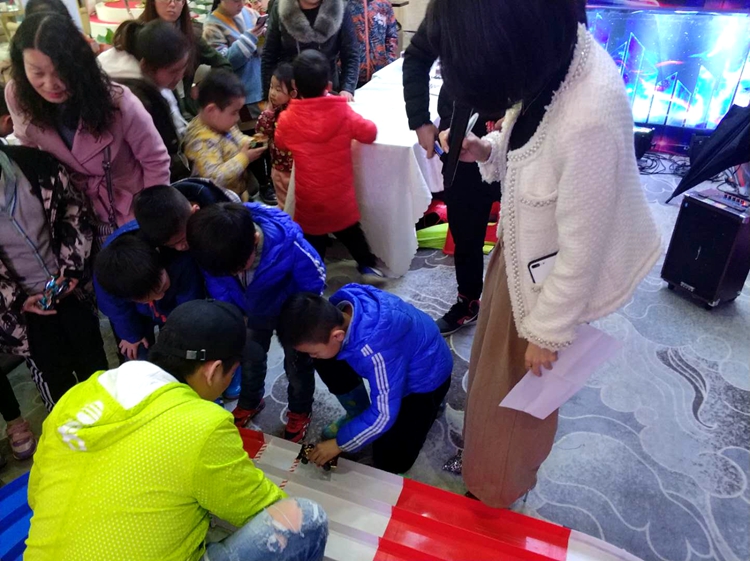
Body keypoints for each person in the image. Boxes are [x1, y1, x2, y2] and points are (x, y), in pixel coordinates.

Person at [429, 0, 660, 507]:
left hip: (549, 285)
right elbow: (531, 143)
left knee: (516, 401)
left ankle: (494, 490)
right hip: (521, 253)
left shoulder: (591, 114)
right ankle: (486, 463)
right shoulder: (549, 61)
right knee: (490, 378)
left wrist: (548, 332)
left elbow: (584, 247)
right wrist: (487, 150)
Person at [24, 299, 328, 561]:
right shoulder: (201, 424)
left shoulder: (75, 397)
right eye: (232, 373)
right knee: (306, 519)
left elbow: (36, 496)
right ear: (212, 371)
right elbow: (263, 507)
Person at [5, 13, 170, 242]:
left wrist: (151, 219)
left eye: (60, 71)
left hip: (129, 209)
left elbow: (155, 161)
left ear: (79, 65)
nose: (50, 84)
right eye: (37, 73)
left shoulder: (118, 103)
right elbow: (31, 148)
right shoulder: (19, 96)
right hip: (73, 213)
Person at [186, 202, 326, 441]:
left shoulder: (290, 246)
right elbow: (218, 284)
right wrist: (232, 312)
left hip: (291, 316)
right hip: (250, 314)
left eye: (240, 267)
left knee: (297, 366)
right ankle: (250, 401)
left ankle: (300, 410)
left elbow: (315, 281)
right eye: (227, 272)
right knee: (249, 358)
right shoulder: (213, 249)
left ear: (255, 238)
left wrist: (301, 317)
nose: (234, 274)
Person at [278, 285, 453, 474]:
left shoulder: (376, 350)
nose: (312, 357)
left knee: (390, 460)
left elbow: (384, 414)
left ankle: (434, 405)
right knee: (325, 360)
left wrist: (339, 444)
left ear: (338, 335)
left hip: (426, 381)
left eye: (314, 352)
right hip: (402, 355)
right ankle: (357, 413)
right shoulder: (341, 306)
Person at [402, 22, 502, 336]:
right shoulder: (451, 8)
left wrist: (523, 110)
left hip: (517, 132)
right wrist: (420, 120)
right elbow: (417, 56)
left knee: (527, 236)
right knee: (465, 231)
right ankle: (468, 300)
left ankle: (530, 315)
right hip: (462, 129)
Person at [0, 143, 108, 412]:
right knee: (58, 388)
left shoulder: (36, 165)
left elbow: (73, 210)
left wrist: (71, 267)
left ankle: (112, 421)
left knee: (96, 368)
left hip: (71, 288)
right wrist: (17, 300)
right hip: (23, 312)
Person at [276, 50, 383, 283]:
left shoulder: (288, 118)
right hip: (340, 199)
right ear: (328, 84)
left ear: (295, 86)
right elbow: (370, 133)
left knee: (313, 242)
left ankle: (314, 279)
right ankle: (367, 266)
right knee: (352, 232)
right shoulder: (342, 111)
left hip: (309, 200)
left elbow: (281, 142)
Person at [99, 20, 192, 181]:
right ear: (146, 67)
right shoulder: (137, 101)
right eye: (173, 71)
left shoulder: (155, 80)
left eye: (183, 67)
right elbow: (155, 158)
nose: (180, 76)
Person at [94, 232, 205, 361]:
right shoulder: (108, 279)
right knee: (135, 354)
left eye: (162, 287)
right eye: (147, 298)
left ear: (161, 265)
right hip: (136, 314)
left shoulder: (179, 260)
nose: (159, 296)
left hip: (174, 304)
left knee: (180, 348)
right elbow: (117, 310)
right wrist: (131, 336)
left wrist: (182, 331)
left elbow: (188, 301)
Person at [133, 0, 232, 118]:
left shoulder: (191, 36)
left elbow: (224, 65)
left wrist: (202, 87)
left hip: (188, 111)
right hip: (153, 112)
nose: (172, 4)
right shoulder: (137, 36)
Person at [183, 70, 272, 201]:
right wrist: (245, 157)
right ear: (212, 110)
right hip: (219, 203)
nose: (237, 118)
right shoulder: (201, 141)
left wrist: (255, 142)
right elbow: (214, 177)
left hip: (237, 194)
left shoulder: (223, 124)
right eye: (234, 112)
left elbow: (238, 139)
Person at [261, 0, 359, 101]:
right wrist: (268, 97)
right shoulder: (280, 7)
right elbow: (269, 55)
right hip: (289, 92)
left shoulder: (338, 7)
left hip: (328, 91)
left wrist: (347, 88)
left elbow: (350, 53)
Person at [134, 180, 234, 250]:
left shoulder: (230, 214)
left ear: (196, 211)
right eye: (171, 246)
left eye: (182, 240)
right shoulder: (152, 226)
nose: (179, 248)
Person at [256, 63, 295, 209]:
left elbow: (261, 130)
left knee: (289, 204)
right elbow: (261, 133)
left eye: (278, 89)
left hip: (290, 169)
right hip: (280, 168)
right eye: (271, 87)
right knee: (285, 202)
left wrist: (268, 113)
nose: (272, 93)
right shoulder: (275, 111)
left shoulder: (288, 113)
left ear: (293, 93)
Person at [347, 0, 398, 87]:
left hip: (380, 74)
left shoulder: (384, 4)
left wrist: (389, 63)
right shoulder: (344, 4)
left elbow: (391, 37)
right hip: (350, 76)